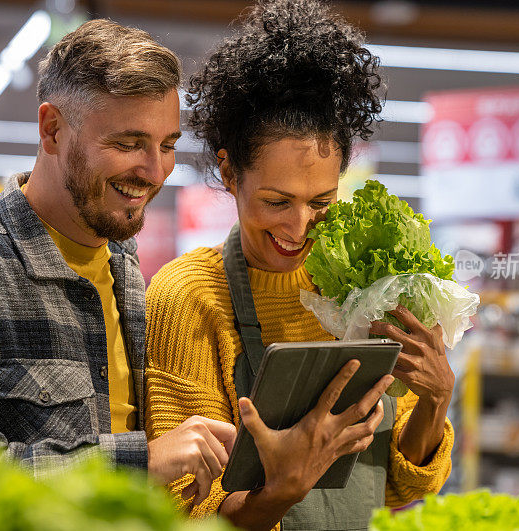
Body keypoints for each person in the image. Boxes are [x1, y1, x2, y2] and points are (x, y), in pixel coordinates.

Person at [0, 19, 237, 530]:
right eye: (130, 143)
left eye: (167, 144)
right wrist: (140, 463)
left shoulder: (124, 267)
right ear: (51, 129)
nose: (156, 172)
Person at [144, 1, 455, 530]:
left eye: (321, 202)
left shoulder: (363, 284)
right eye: (276, 201)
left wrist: (435, 400)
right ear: (228, 170)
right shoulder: (191, 296)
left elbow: (394, 485)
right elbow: (184, 514)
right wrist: (282, 489)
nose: (299, 227)